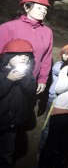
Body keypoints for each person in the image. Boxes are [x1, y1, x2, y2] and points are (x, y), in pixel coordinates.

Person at [0, 0, 53, 94]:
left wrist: (42, 79)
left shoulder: (47, 32)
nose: (44, 11)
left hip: (31, 80)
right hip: (7, 78)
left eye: (45, 9)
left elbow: (46, 58)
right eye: (39, 8)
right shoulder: (8, 28)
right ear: (26, 7)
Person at [0, 39, 37, 167]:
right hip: (1, 119)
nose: (23, 58)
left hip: (13, 123)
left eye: (27, 55)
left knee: (7, 151)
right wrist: (8, 79)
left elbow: (31, 89)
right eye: (18, 54)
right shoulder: (1, 73)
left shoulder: (27, 74)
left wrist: (25, 76)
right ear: (8, 55)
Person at [38, 43, 68, 154]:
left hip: (66, 101)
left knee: (61, 127)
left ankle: (53, 150)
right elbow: (66, 71)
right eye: (65, 54)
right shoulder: (58, 65)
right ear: (61, 55)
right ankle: (41, 151)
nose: (67, 56)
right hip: (54, 99)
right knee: (48, 127)